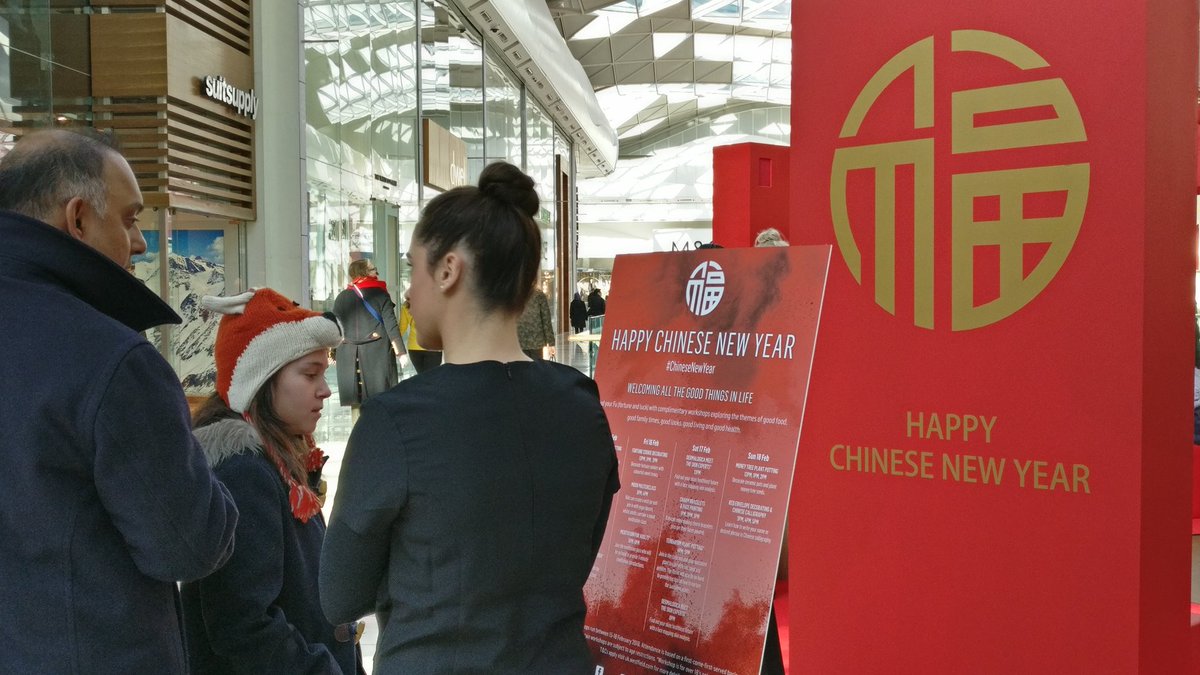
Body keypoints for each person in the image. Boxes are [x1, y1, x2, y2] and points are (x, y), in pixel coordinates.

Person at [321, 162, 620, 673]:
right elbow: (581, 547)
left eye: (413, 268)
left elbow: (340, 594)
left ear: (448, 270)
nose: (409, 292)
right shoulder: (581, 403)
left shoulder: (396, 420)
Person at [0, 128, 238, 672]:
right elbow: (188, 544)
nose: (140, 244)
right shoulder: (109, 360)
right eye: (131, 220)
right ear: (78, 218)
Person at [181, 288, 363, 675]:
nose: (326, 390)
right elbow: (242, 623)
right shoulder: (244, 472)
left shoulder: (275, 460)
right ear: (260, 381)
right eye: (310, 374)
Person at [332, 259, 406, 418]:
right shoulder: (380, 294)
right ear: (363, 273)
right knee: (380, 400)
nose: (377, 273)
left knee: (355, 401)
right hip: (376, 352)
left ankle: (358, 437)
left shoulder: (342, 296)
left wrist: (333, 352)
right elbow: (391, 324)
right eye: (373, 269)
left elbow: (335, 327)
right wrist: (400, 352)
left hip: (348, 353)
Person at [399, 298, 443, 373]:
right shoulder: (437, 303)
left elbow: (402, 328)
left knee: (421, 376)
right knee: (432, 378)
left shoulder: (406, 305)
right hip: (433, 347)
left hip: (414, 348)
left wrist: (392, 341)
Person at [517, 284, 555, 360]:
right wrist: (551, 343)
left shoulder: (515, 295)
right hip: (537, 340)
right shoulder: (539, 295)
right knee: (536, 367)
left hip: (519, 340)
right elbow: (546, 319)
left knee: (522, 367)